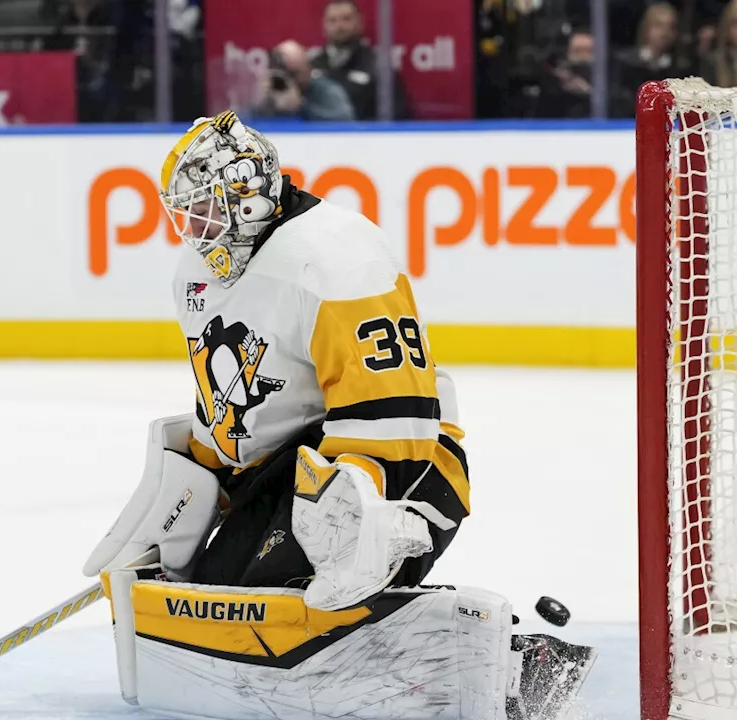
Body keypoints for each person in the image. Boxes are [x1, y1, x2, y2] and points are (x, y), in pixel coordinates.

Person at [82, 112, 597, 720]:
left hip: (402, 478)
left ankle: (521, 662)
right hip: (288, 480)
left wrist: (359, 526)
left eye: (207, 210)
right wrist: (178, 511)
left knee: (295, 610)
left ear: (249, 199)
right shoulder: (196, 274)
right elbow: (228, 421)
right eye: (184, 212)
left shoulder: (336, 258)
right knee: (215, 607)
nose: (194, 229)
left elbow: (397, 414)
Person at [307, 0, 406, 120]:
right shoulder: (312, 65)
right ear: (324, 25)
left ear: (360, 23)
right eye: (332, 20)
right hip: (318, 136)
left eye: (346, 19)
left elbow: (398, 113)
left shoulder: (377, 66)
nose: (339, 26)